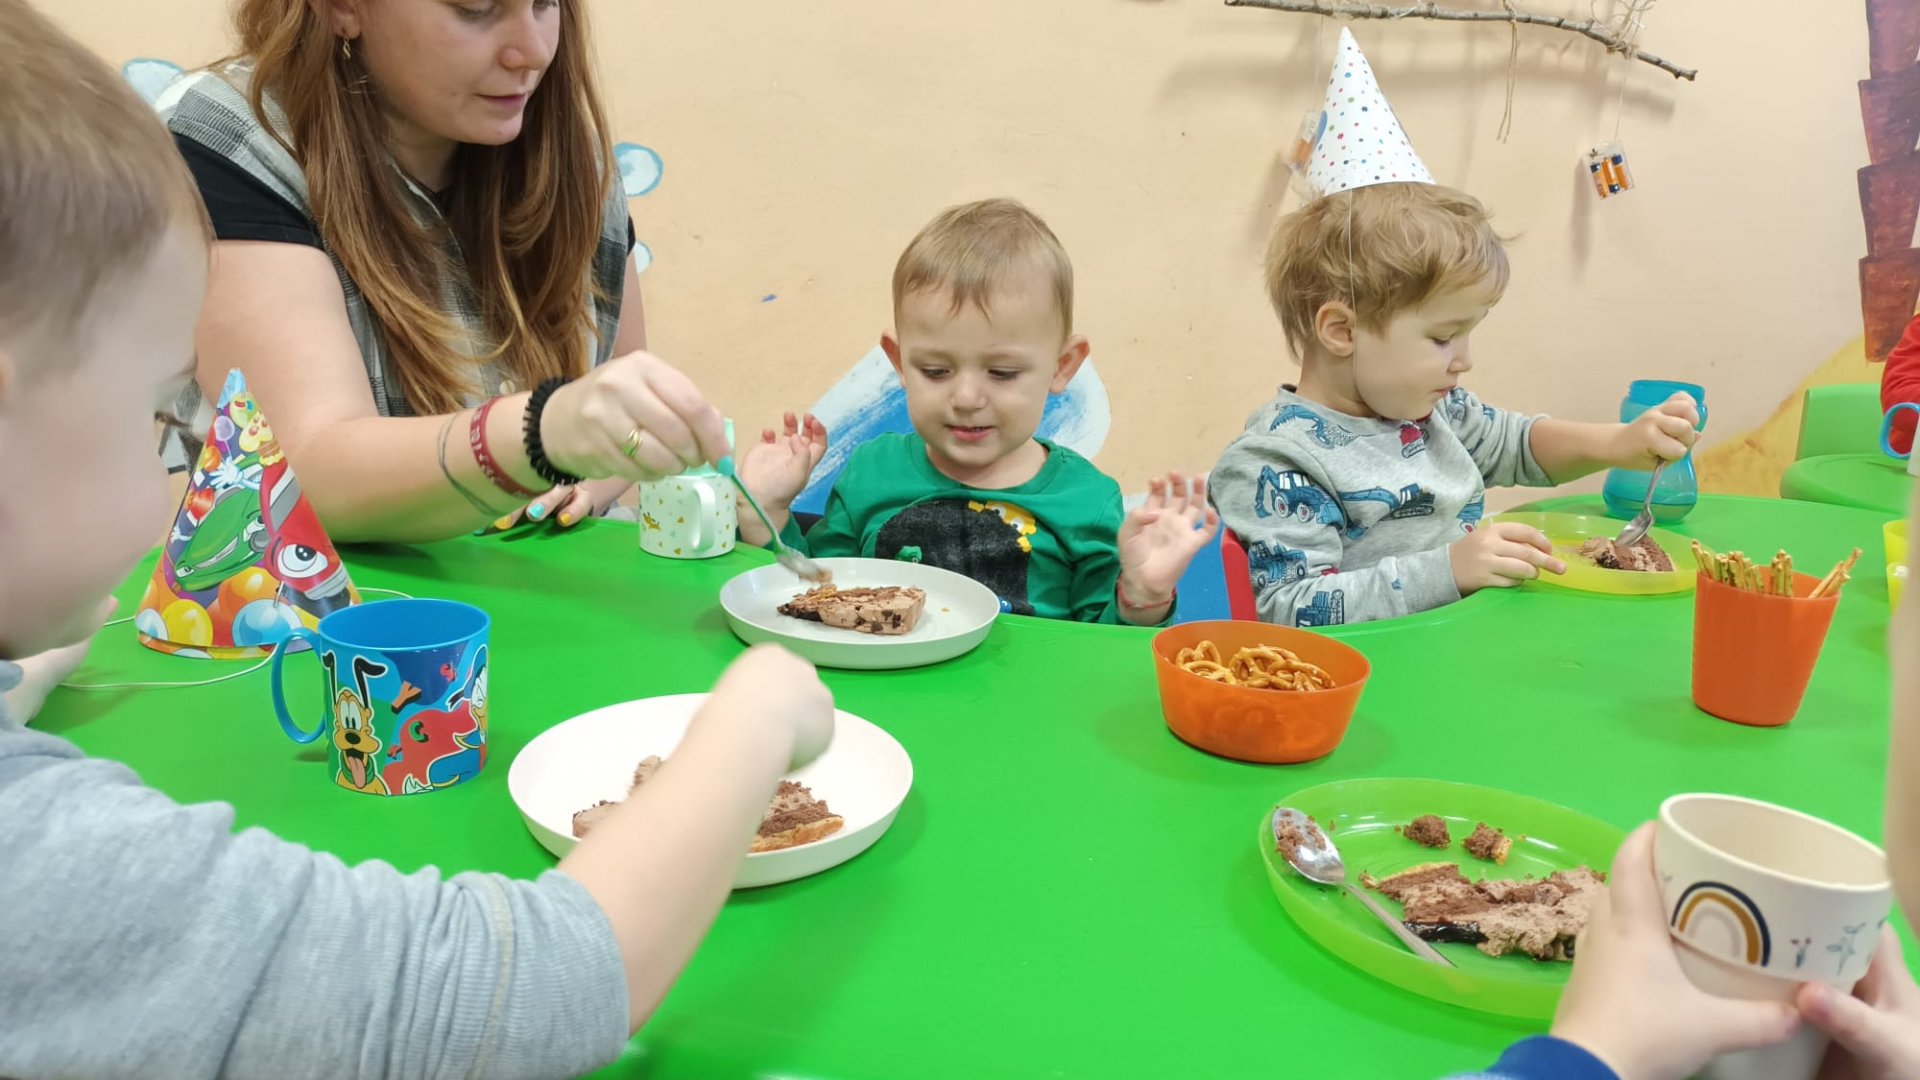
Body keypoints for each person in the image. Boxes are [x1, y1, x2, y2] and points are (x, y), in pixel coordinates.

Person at [0, 6, 830, 1073]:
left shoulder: (561, 157)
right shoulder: (49, 859)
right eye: (166, 413)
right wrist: (753, 723)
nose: (530, 48)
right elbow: (523, 995)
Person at [164, 0, 726, 543]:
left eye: (545, 2)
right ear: (343, 7)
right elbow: (306, 471)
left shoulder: (572, 156)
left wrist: (600, 463)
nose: (532, 52)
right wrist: (542, 435)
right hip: (344, 603)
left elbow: (623, 393)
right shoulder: (228, 139)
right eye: (475, 9)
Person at [733, 198, 1218, 625]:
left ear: (1062, 366)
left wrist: (1143, 595)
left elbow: (1103, 653)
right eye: (936, 371)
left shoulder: (1087, 501)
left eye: (1002, 373)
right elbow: (812, 601)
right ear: (899, 362)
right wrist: (764, 511)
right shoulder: (871, 472)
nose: (966, 398)